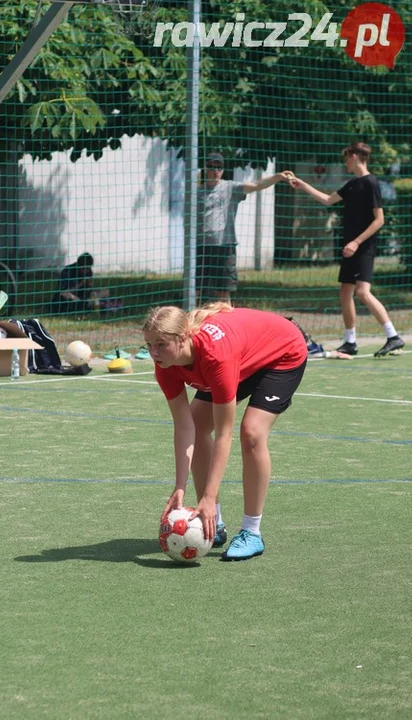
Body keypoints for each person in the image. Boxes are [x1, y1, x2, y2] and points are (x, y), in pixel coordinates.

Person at [142, 302, 307, 561]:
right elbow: (184, 426)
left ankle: (251, 532)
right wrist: (180, 486)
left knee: (251, 432)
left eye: (161, 344)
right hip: (243, 356)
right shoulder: (166, 367)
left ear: (183, 338)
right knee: (197, 428)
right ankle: (213, 524)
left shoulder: (216, 356)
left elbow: (223, 434)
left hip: (281, 353)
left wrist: (207, 495)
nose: (154, 352)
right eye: (149, 344)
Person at [290, 142, 405, 357]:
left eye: (346, 158)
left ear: (354, 156)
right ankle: (350, 341)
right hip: (351, 248)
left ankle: (393, 336)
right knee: (345, 292)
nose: (345, 162)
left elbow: (379, 220)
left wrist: (356, 242)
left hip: (363, 247)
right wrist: (303, 185)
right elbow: (327, 200)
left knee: (362, 292)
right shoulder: (352, 184)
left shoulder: (371, 183)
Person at [196, 152, 294, 303]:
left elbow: (256, 185)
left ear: (223, 170)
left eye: (219, 167)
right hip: (200, 246)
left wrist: (278, 177)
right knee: (196, 291)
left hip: (224, 245)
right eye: (211, 166)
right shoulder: (195, 191)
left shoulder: (230, 187)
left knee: (223, 292)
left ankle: (227, 324)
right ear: (205, 168)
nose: (215, 171)